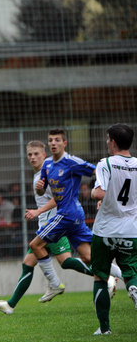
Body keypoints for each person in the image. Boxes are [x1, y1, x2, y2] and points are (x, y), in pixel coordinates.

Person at [28, 129, 123, 300]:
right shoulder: (48, 165)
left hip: (67, 214)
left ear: (64, 143)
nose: (53, 143)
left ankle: (55, 285)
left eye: (57, 140)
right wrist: (39, 188)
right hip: (73, 215)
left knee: (36, 245)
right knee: (88, 257)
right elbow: (42, 192)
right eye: (50, 140)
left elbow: (97, 171)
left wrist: (104, 193)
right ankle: (127, 277)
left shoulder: (72, 162)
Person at [0, 140, 74, 314]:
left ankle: (107, 275)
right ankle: (10, 305)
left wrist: (38, 211)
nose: (33, 157)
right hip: (45, 225)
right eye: (30, 154)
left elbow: (59, 197)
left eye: (36, 154)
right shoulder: (38, 175)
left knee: (67, 261)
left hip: (54, 225)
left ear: (44, 155)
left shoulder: (48, 173)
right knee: (28, 262)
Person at [90, 123, 137, 335]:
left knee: (100, 276)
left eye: (108, 139)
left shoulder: (106, 163)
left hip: (105, 230)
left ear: (113, 142)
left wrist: (95, 196)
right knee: (131, 271)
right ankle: (134, 289)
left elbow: (100, 193)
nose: (107, 143)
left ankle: (105, 328)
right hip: (131, 230)